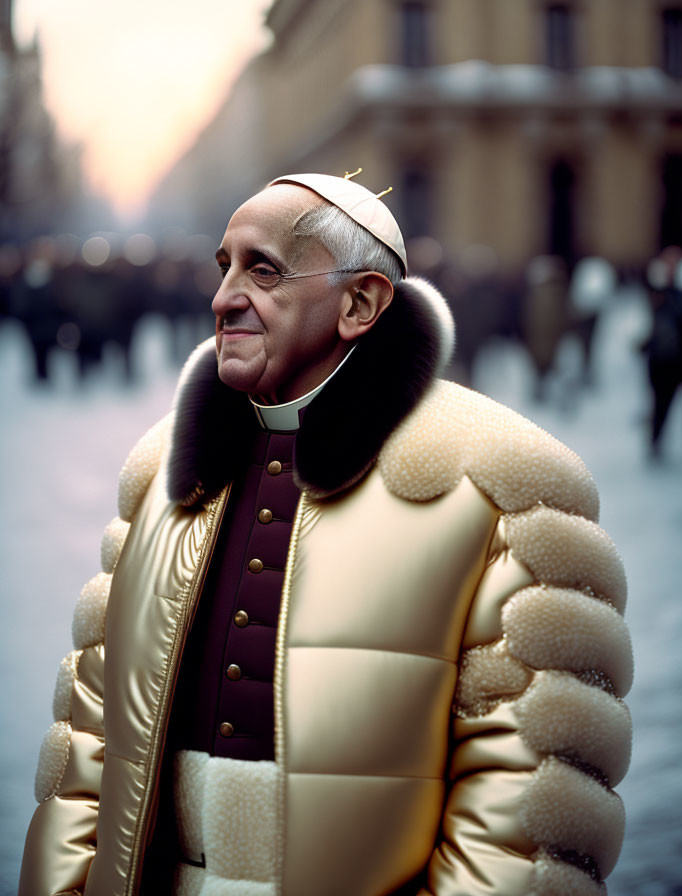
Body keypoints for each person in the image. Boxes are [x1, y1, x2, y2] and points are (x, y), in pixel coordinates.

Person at [19, 172, 633, 896]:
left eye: (264, 270)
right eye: (225, 269)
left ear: (360, 303)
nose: (222, 299)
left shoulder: (507, 483)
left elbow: (524, 817)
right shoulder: (159, 471)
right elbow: (89, 749)